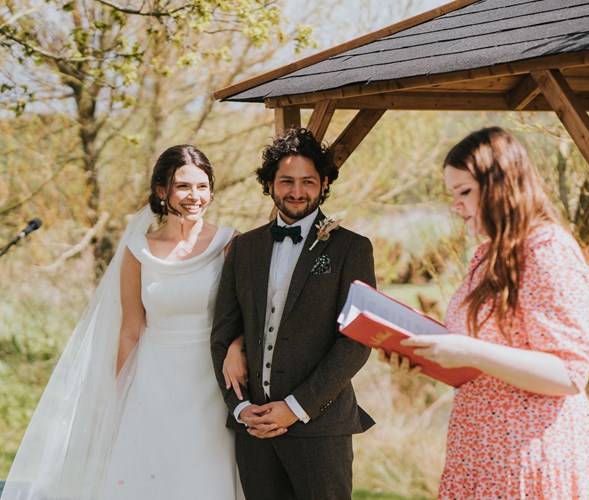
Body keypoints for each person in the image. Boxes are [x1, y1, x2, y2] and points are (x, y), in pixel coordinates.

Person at [1, 145, 246, 500]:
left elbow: (246, 315)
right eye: (183, 186)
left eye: (203, 186)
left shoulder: (231, 243)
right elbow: (131, 329)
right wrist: (119, 398)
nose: (195, 196)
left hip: (210, 379)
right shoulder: (137, 250)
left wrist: (237, 347)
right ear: (162, 191)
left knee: (203, 473)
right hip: (153, 380)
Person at [388, 127, 589, 499]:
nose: (456, 206)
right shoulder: (487, 256)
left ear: (501, 186)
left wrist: (469, 352)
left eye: (465, 192)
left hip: (532, 457)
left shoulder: (547, 251)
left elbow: (569, 373)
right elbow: (481, 357)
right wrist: (421, 355)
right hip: (482, 452)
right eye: (452, 194)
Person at [210, 127, 376, 499]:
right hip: (253, 432)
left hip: (320, 429)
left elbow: (357, 342)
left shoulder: (352, 248)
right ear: (270, 184)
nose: (297, 191)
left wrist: (295, 407)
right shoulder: (244, 249)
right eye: (286, 180)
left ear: (324, 184)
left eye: (308, 181)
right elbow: (223, 335)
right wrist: (239, 409)